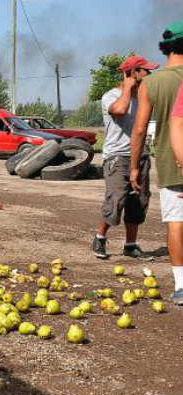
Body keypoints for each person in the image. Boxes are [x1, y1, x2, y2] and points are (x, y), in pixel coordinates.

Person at [131, 20, 183, 306]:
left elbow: (139, 129)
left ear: (165, 47)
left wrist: (135, 166)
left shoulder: (152, 83)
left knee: (177, 221)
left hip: (169, 161)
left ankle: (180, 285)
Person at [91, 55, 159, 261]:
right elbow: (120, 111)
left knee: (138, 201)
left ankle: (130, 245)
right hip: (117, 157)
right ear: (131, 73)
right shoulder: (110, 96)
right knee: (117, 199)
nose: (149, 74)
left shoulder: (146, 98)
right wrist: (128, 88)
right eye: (144, 70)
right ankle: (100, 238)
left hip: (141, 155)